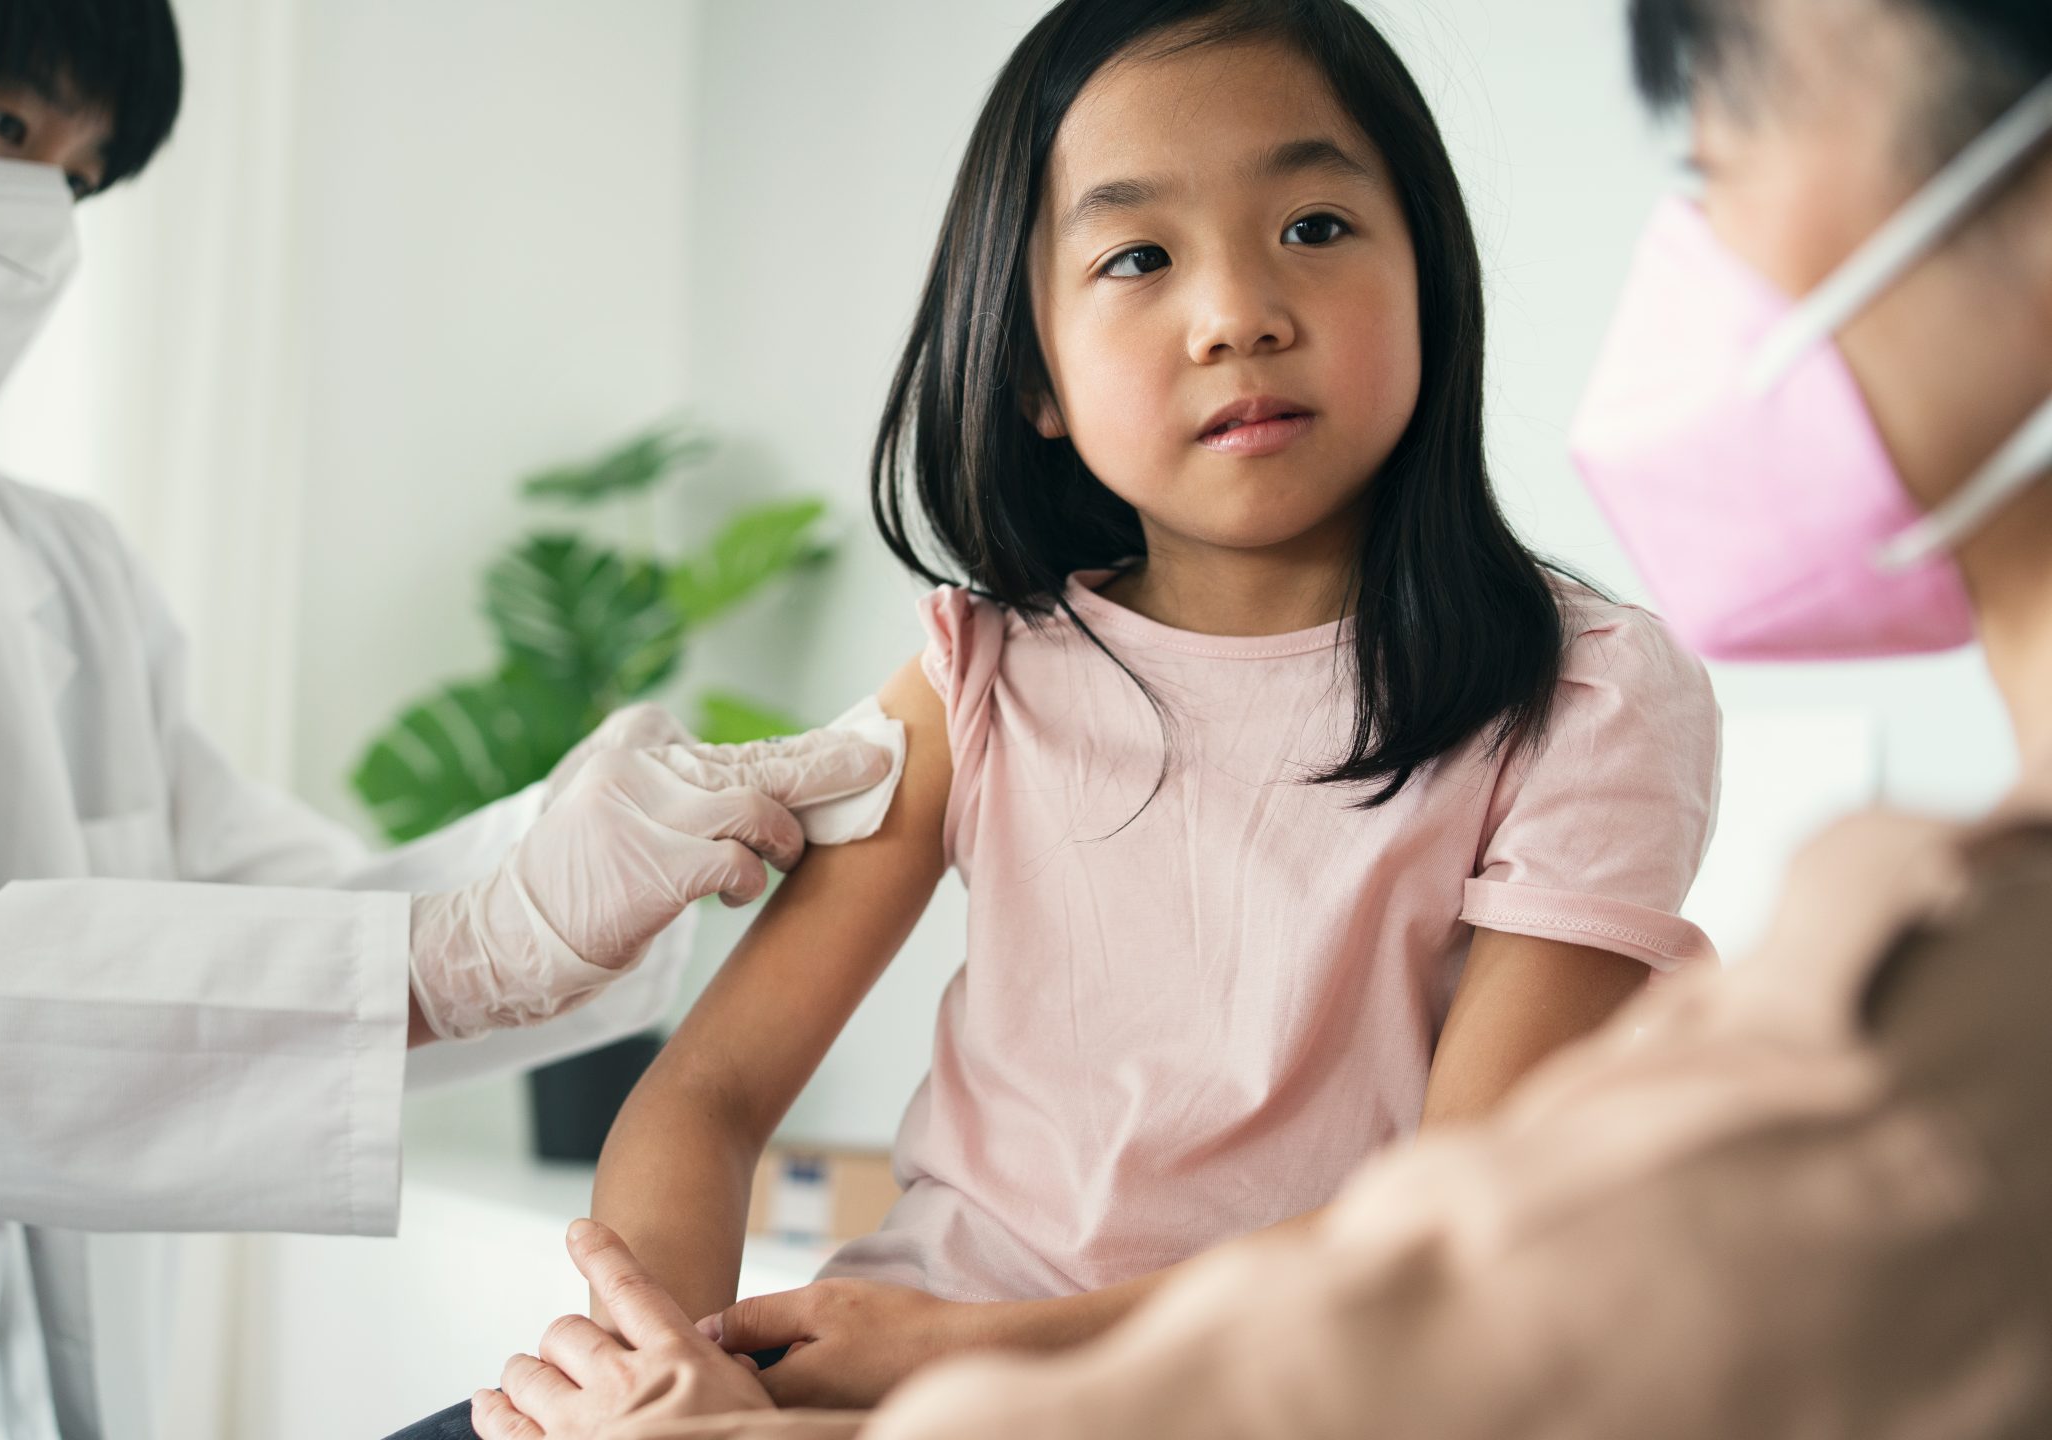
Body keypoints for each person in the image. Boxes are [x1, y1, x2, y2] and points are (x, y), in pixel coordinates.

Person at [476, 0, 2052, 1434]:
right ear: (1033, 370)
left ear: (1429, 274)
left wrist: (960, 1354)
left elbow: (1452, 1232)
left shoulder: (1584, 695)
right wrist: (655, 1363)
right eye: (1137, 257)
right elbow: (712, 1093)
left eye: (1313, 225)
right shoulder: (984, 671)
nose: (1236, 309)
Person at [0, 4, 890, 1437]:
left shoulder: (59, 573)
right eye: (6, 126)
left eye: (83, 175)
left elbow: (279, 915)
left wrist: (566, 870)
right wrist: (462, 949)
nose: (42, 213)